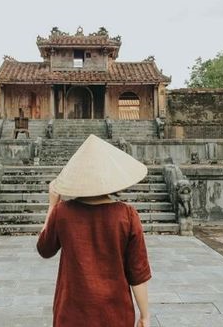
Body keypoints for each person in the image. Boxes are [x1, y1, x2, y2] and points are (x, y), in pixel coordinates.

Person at [36, 134, 152, 327]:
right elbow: (137, 272)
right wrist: (145, 315)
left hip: (71, 314)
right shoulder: (127, 215)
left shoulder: (63, 213)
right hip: (115, 313)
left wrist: (51, 206)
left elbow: (44, 249)